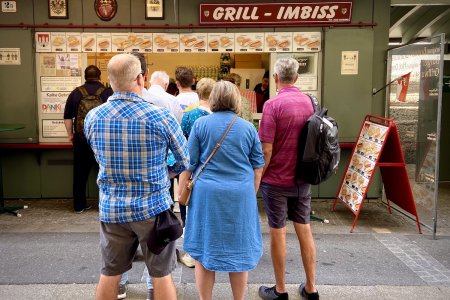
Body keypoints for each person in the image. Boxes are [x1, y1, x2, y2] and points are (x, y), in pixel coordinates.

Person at [84, 53, 189, 300]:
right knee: (161, 274)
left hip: (112, 209)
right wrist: (165, 172)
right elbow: (185, 159)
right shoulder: (160, 117)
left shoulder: (94, 117)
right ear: (141, 78)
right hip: (152, 209)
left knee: (110, 272)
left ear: (110, 81)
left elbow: (98, 156)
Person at [179, 80, 265, 300]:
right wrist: (250, 192)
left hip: (207, 196)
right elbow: (257, 166)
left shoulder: (201, 125)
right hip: (240, 196)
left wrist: (181, 194)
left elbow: (190, 164)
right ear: (235, 99)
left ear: (214, 99)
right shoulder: (247, 128)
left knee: (204, 251)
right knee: (239, 251)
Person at [257, 58, 319, 300]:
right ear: (296, 78)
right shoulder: (311, 103)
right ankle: (311, 288)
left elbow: (266, 150)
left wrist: (259, 177)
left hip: (276, 181)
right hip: (302, 179)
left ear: (275, 79)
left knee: (278, 232)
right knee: (305, 229)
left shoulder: (273, 106)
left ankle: (280, 289)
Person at [63, 65, 113, 213]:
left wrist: (70, 135)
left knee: (80, 173)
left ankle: (79, 205)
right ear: (100, 76)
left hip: (81, 140)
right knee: (105, 173)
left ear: (85, 76)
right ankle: (105, 205)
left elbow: (67, 117)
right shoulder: (107, 92)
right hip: (102, 141)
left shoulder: (76, 93)